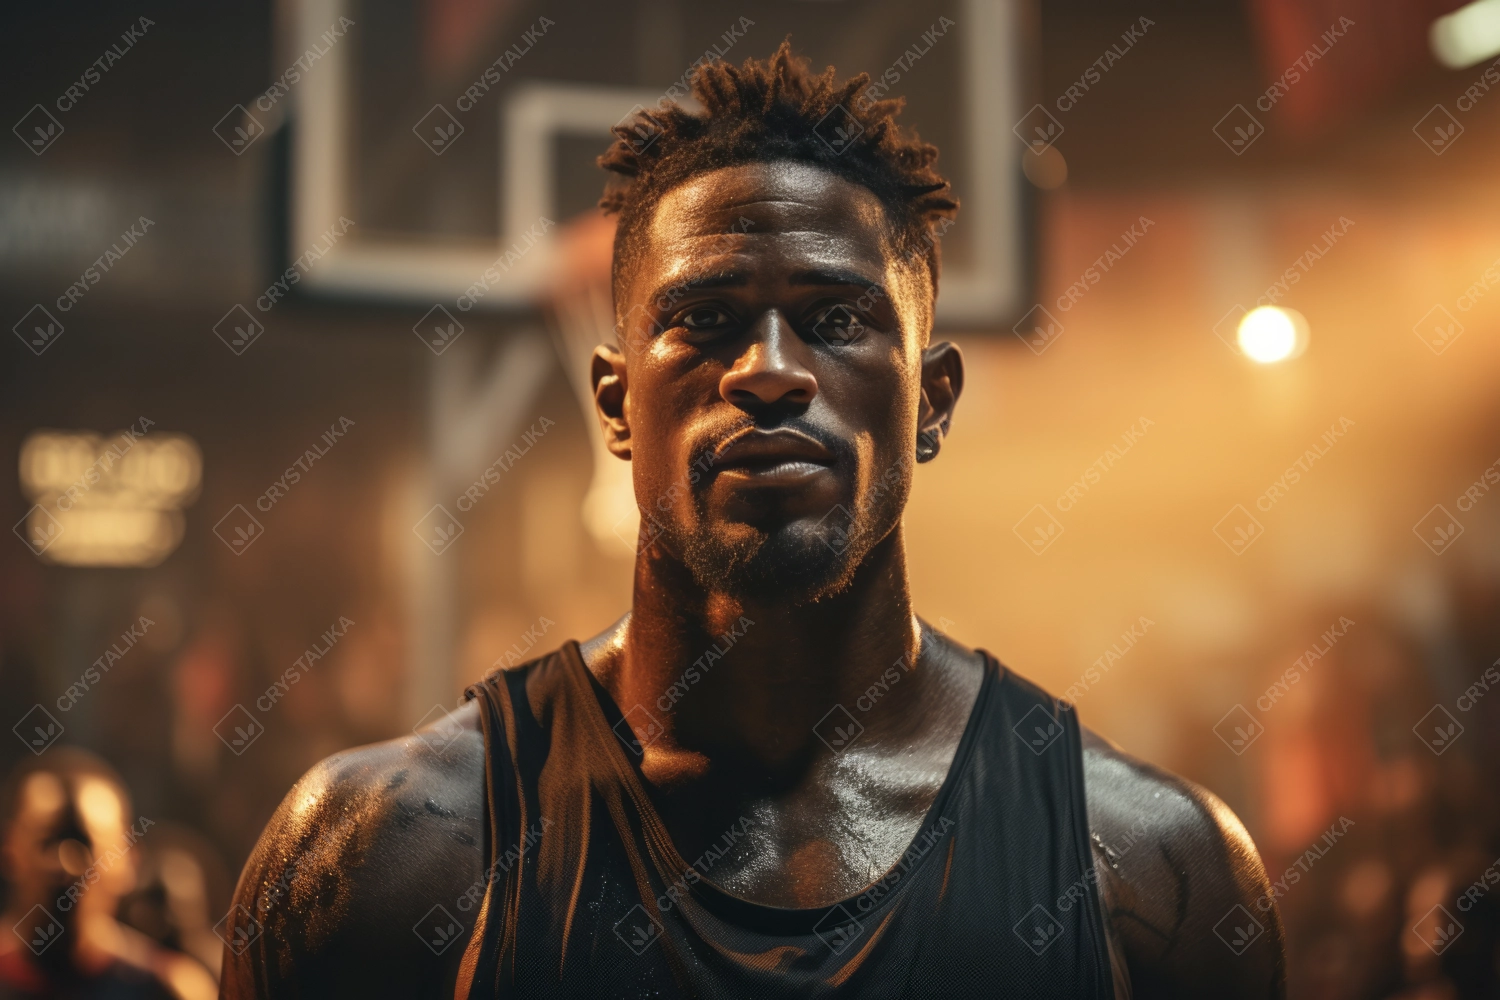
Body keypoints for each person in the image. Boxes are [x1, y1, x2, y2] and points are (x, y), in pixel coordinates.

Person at [220, 43, 1286, 999]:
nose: (770, 371)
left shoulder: (1146, 864)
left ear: (933, 402)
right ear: (613, 405)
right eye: (705, 320)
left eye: (835, 319)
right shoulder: (382, 855)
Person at [0, 748, 216, 1000]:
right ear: (11, 849)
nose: (66, 865)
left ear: (128, 860)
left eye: (85, 845)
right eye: (48, 842)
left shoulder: (168, 990)